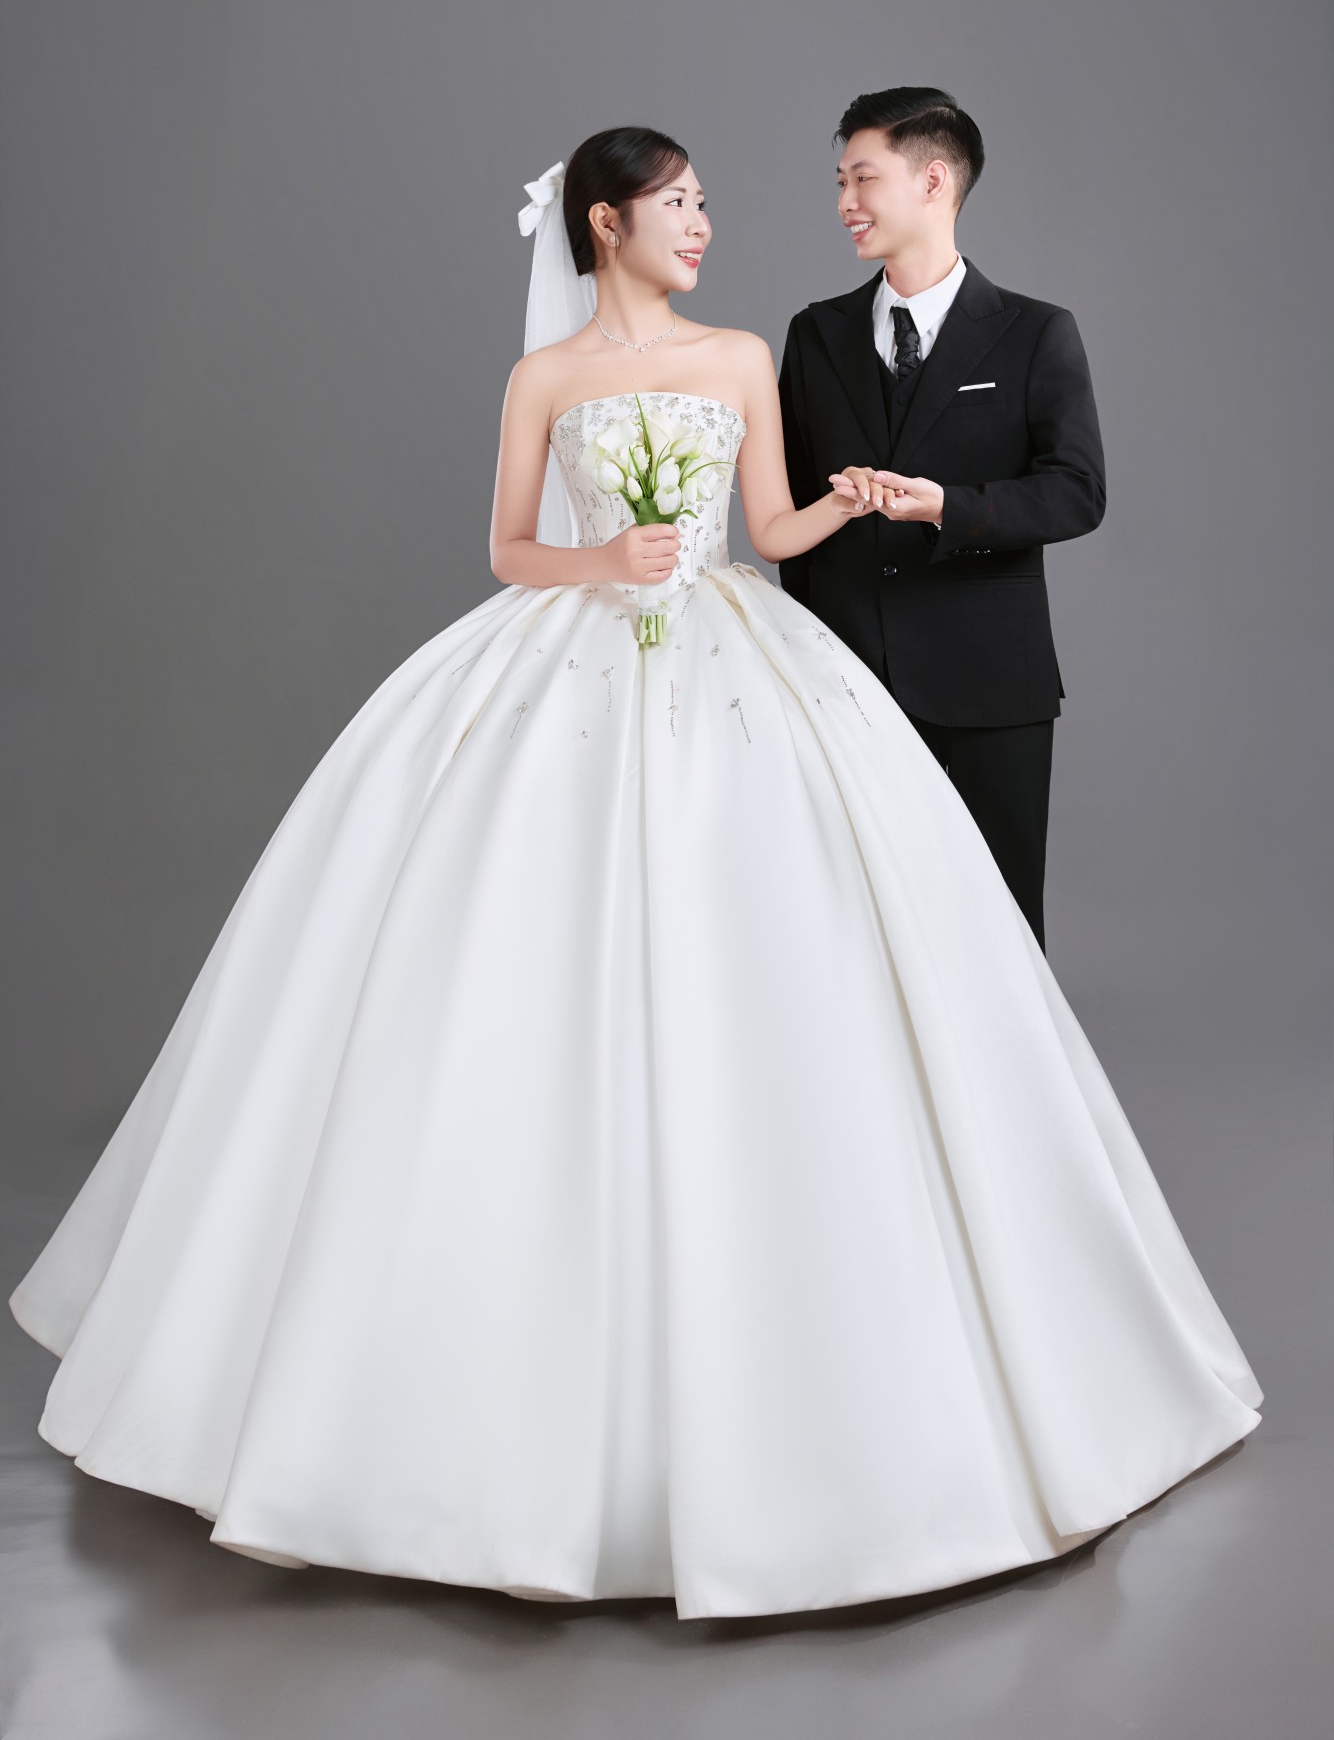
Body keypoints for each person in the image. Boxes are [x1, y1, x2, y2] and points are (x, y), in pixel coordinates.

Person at [9, 124, 1259, 1623]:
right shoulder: (542, 378)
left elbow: (772, 528)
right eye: (680, 204)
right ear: (605, 224)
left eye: (707, 203)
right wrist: (607, 563)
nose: (706, 224)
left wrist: (863, 499)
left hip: (732, 648)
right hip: (576, 654)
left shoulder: (742, 356)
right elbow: (506, 547)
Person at [777, 87, 1106, 949]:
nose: (845, 203)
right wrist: (805, 664)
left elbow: (1077, 490)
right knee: (854, 931)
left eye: (863, 179)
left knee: (999, 931)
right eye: (840, 182)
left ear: (933, 181)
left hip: (991, 684)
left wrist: (949, 508)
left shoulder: (1036, 333)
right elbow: (794, 519)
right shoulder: (815, 336)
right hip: (846, 684)